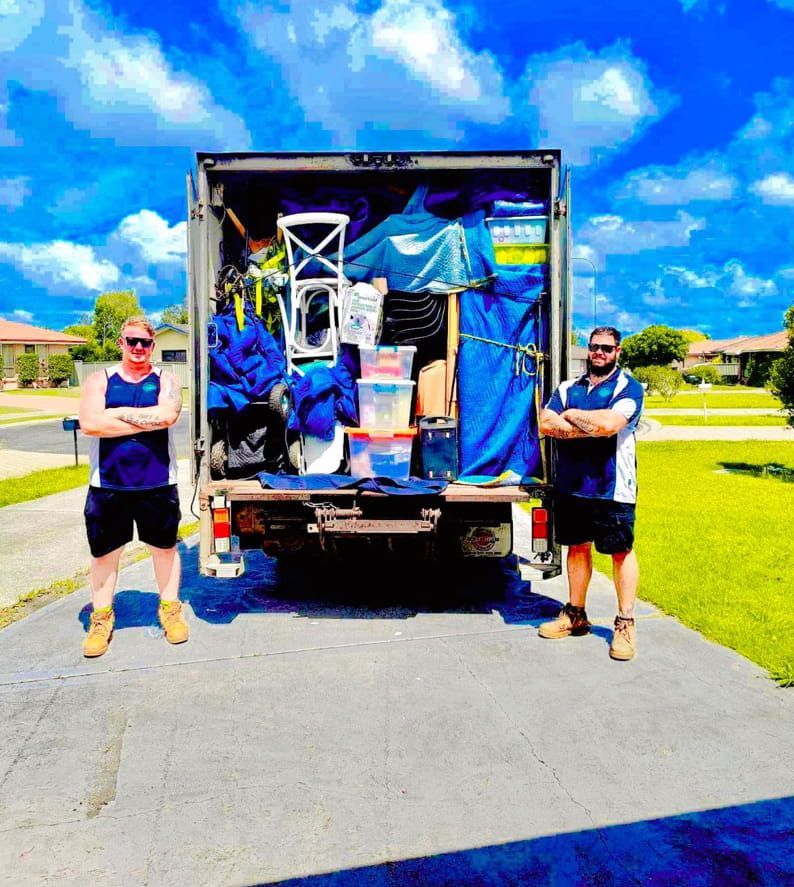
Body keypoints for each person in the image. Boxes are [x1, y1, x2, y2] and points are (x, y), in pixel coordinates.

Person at [78, 316, 188, 657]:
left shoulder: (167, 380)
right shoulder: (100, 380)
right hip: (108, 485)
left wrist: (118, 414)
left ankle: (170, 611)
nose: (138, 348)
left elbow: (168, 417)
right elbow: (91, 423)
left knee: (164, 550)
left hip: (158, 482)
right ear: (121, 343)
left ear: (152, 346)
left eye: (144, 342)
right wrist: (142, 419)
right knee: (105, 556)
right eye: (131, 341)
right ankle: (101, 620)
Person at [537, 326, 644, 660]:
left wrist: (570, 417)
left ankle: (625, 624)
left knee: (620, 552)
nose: (599, 353)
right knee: (577, 548)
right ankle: (575, 615)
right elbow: (545, 424)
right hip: (573, 488)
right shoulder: (568, 387)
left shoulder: (629, 388)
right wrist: (585, 426)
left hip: (613, 489)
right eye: (595, 347)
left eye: (607, 348)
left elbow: (608, 425)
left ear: (618, 351)